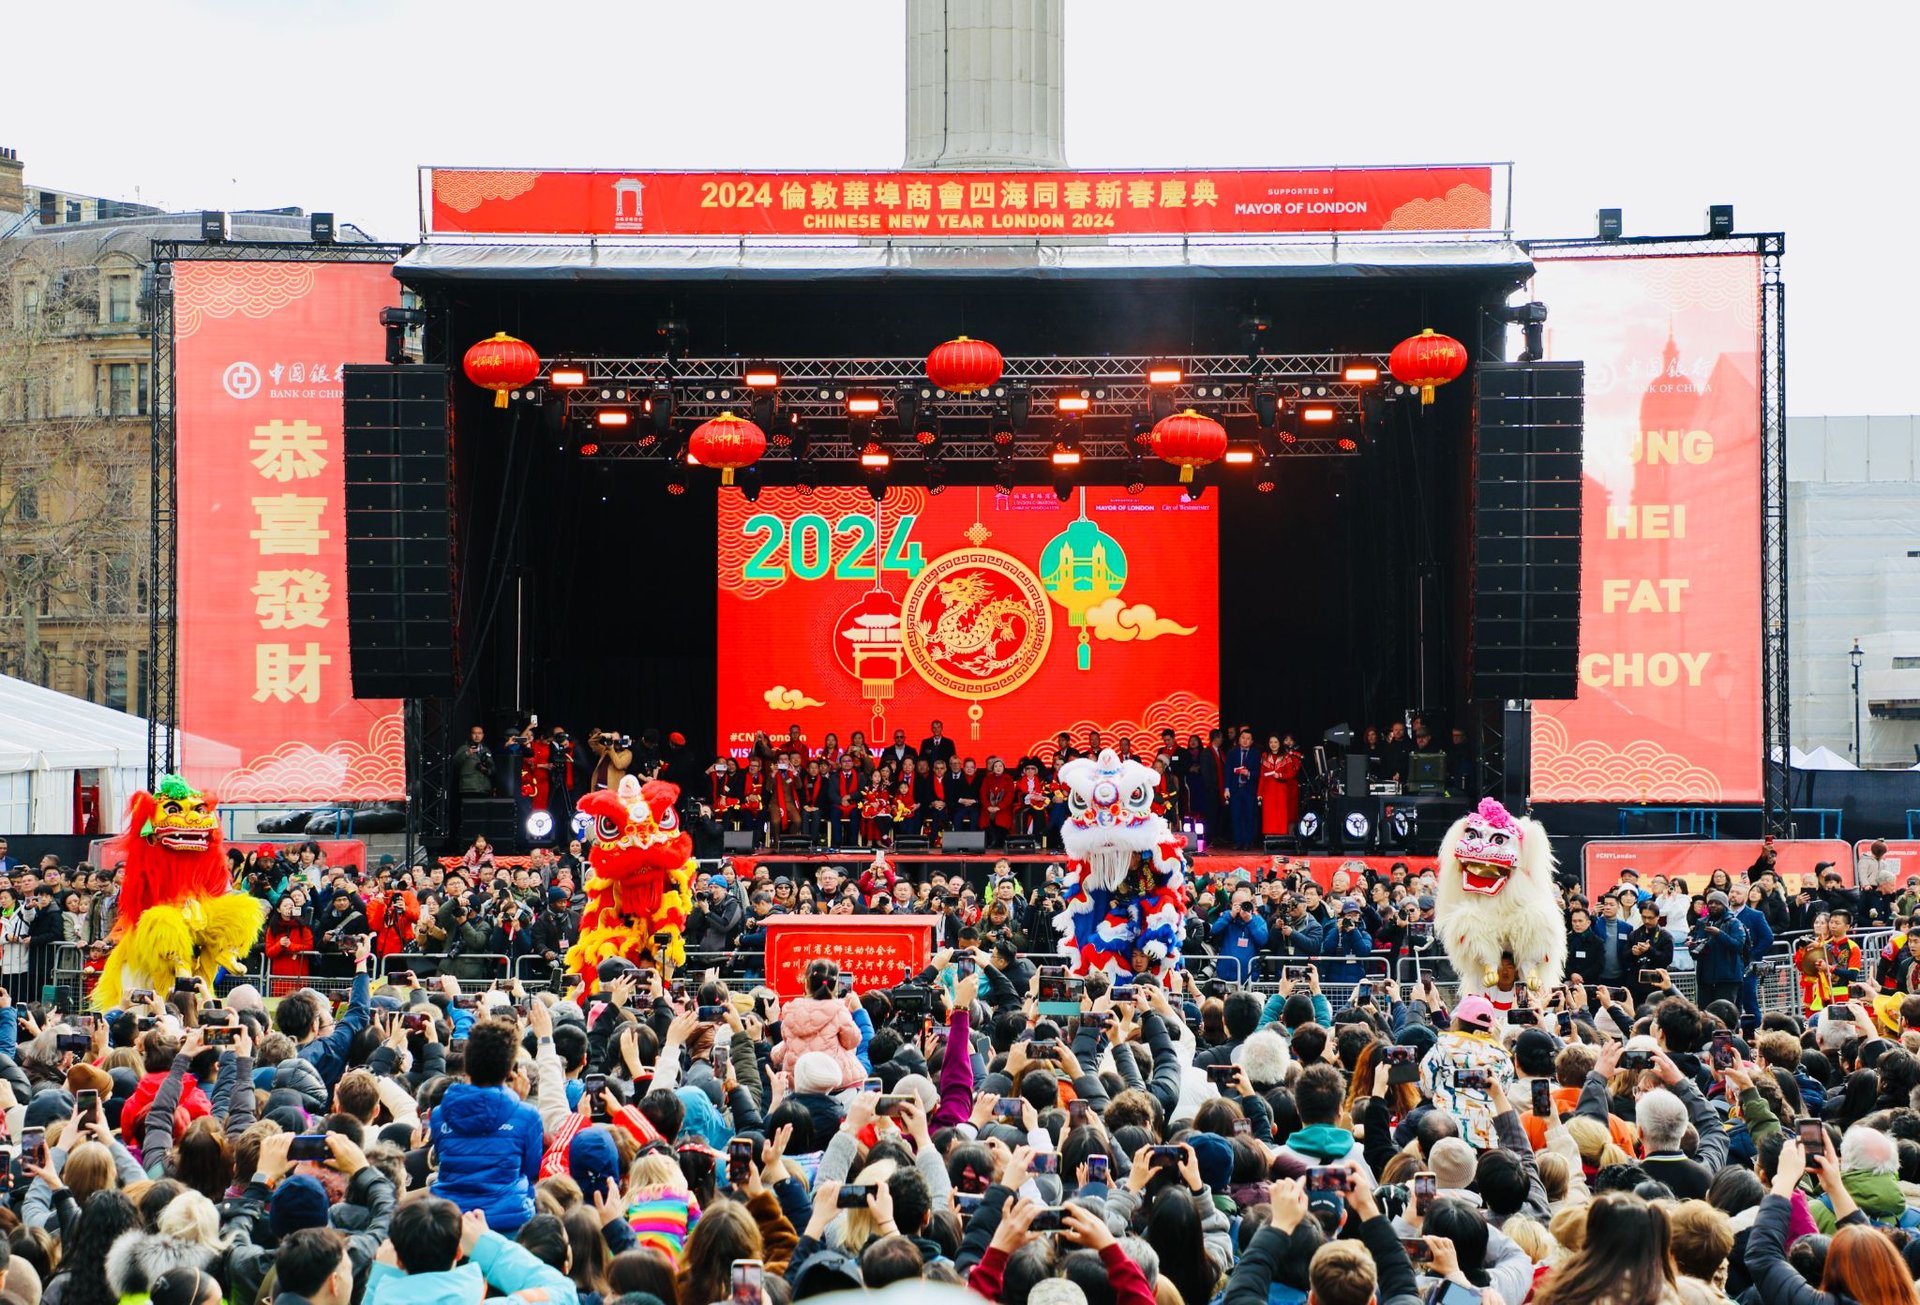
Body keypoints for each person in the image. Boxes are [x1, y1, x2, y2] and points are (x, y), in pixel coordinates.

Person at [428, 1017, 544, 1233]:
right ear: (511, 1069)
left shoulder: (439, 1115)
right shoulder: (527, 1115)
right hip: (508, 1222)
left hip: (451, 1220)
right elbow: (531, 1171)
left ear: (467, 1064)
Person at [1689, 891, 1748, 1011]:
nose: (1713, 905)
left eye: (1718, 903)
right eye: (1710, 902)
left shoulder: (1734, 923)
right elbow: (1695, 953)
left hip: (1728, 978)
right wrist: (1692, 945)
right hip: (1706, 978)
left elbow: (1738, 945)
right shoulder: (1701, 923)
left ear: (1725, 905)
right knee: (1705, 1014)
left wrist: (1719, 934)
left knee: (1726, 1013)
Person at [1257, 736, 1302, 840]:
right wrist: (1259, 793)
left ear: (1279, 743)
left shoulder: (1286, 756)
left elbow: (1291, 773)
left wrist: (1280, 775)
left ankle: (1281, 838)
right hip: (1268, 791)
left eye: (1275, 742)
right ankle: (1269, 838)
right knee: (1269, 816)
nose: (1273, 744)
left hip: (1281, 790)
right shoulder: (1264, 756)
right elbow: (1262, 776)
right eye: (1271, 742)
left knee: (1280, 815)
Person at [1225, 728, 1259, 850]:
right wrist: (1226, 788)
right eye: (1243, 738)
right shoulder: (1232, 753)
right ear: (1239, 739)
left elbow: (1258, 773)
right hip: (1235, 789)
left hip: (1249, 789)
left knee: (1249, 816)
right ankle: (1238, 841)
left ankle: (1248, 842)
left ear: (1251, 741)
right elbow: (1228, 771)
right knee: (1236, 816)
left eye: (1248, 739)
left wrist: (1248, 773)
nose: (1245, 741)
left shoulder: (1256, 754)